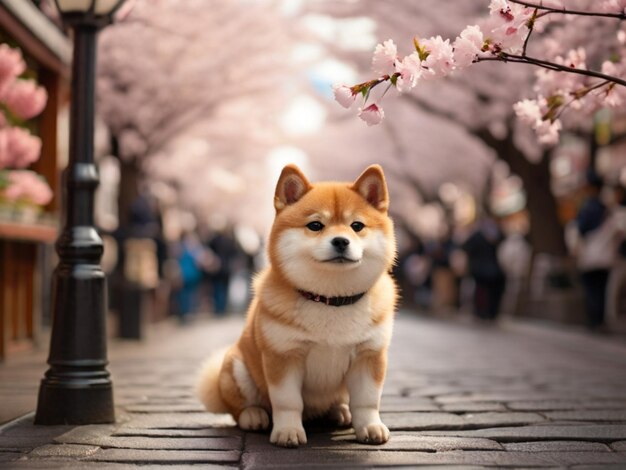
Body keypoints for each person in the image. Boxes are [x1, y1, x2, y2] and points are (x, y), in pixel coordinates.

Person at [461, 216, 506, 321]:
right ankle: (491, 312)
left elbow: (465, 247)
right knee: (490, 292)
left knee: (481, 291)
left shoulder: (477, 236)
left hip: (480, 269)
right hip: (493, 269)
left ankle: (481, 311)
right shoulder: (497, 234)